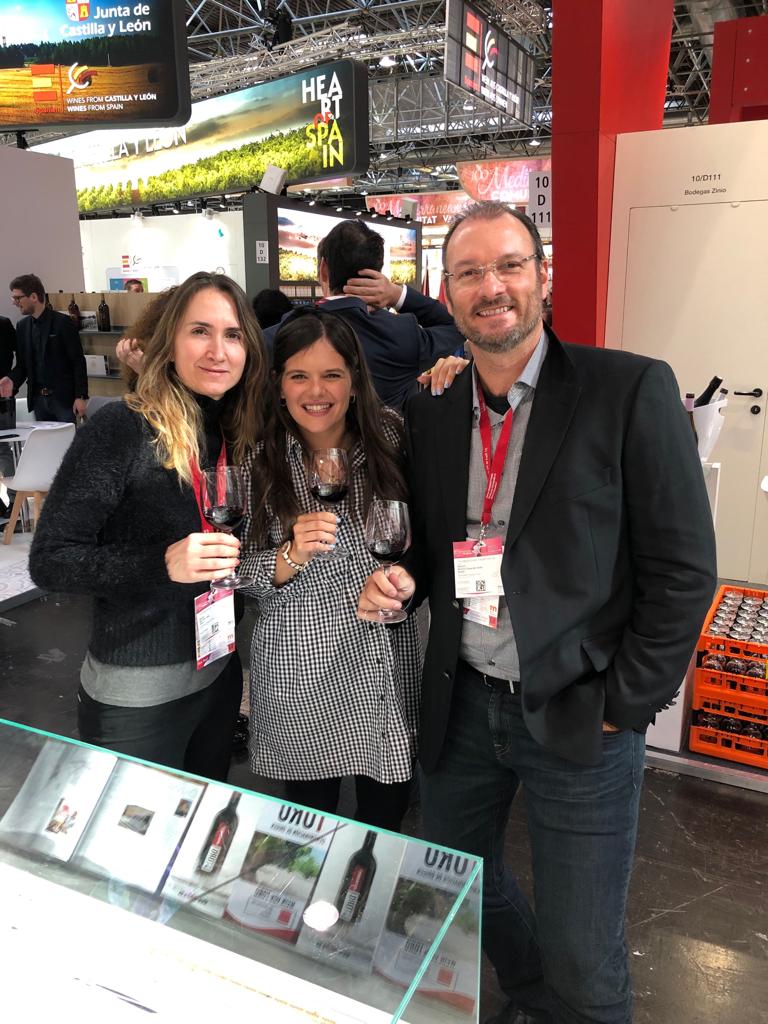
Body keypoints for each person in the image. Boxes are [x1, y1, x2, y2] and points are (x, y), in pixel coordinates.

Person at [357, 201, 717, 1024]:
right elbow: (435, 545)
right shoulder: (431, 409)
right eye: (470, 272)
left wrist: (625, 702)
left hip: (579, 709)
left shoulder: (627, 389)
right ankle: (530, 995)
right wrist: (401, 580)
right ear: (446, 292)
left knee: (585, 953)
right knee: (459, 885)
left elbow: (684, 568)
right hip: (460, 704)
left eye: (510, 265)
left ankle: (566, 1000)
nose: (492, 287)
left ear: (542, 277)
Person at [29, 272, 266, 780]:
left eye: (232, 335)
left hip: (218, 674)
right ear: (169, 342)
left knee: (201, 823)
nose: (218, 351)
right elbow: (50, 560)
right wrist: (160, 563)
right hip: (137, 694)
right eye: (199, 331)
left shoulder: (230, 429)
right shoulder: (123, 427)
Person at [240, 308, 421, 831]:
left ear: (355, 381)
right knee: (306, 828)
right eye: (299, 375)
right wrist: (289, 555)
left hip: (383, 661)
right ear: (279, 385)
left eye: (332, 374)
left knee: (382, 824)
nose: (315, 391)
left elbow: (428, 534)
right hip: (300, 669)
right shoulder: (259, 459)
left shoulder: (394, 438)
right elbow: (235, 572)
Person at [263, 219, 466, 409]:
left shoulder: (278, 337)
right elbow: (456, 325)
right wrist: (397, 295)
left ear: (324, 270)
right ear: (378, 274)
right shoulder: (402, 334)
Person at [1, 274, 88, 422]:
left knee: (67, 437)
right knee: (43, 437)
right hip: (38, 400)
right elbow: (23, 366)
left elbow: (77, 361)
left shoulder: (63, 323)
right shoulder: (22, 327)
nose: (14, 303)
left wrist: (80, 396)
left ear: (34, 297)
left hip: (63, 400)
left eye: (18, 298)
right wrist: (11, 379)